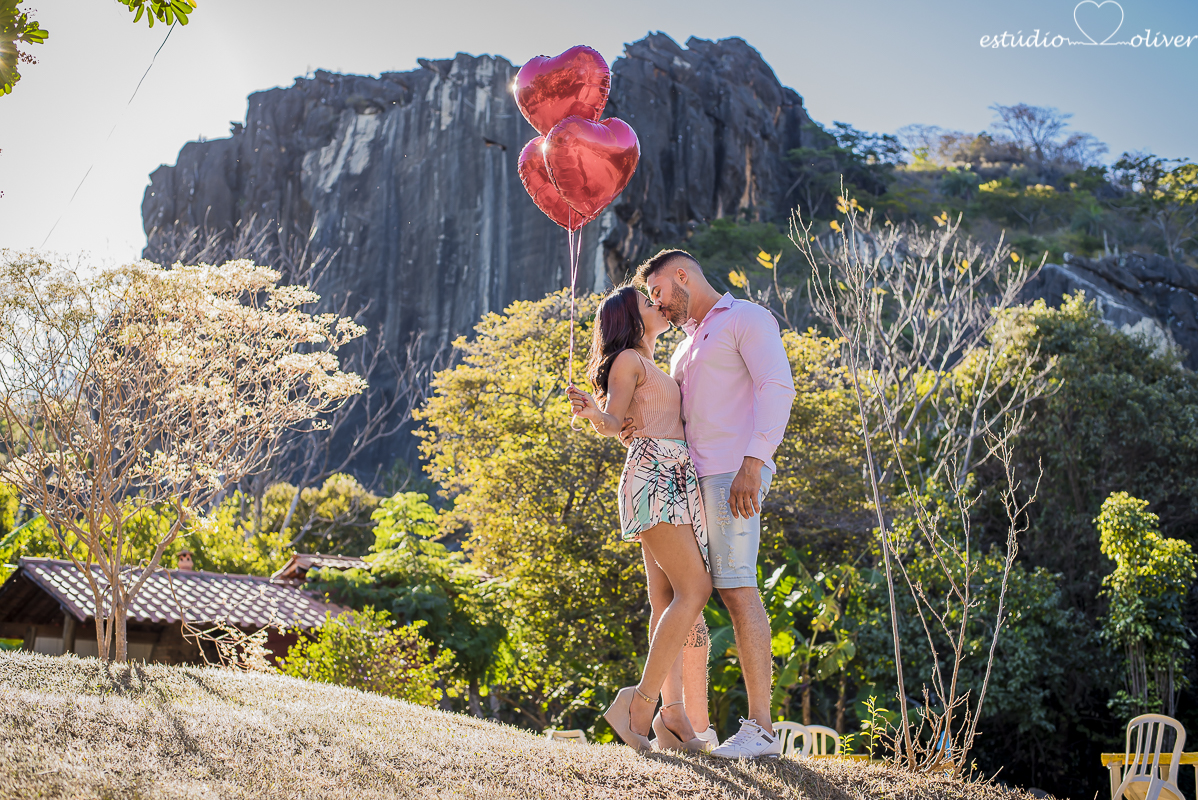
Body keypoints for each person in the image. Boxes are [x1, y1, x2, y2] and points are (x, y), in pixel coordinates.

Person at [630, 249, 796, 759]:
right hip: (684, 485)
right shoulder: (683, 349)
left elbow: (777, 386)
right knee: (688, 594)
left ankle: (762, 730)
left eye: (658, 291)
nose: (657, 304)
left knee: (738, 588)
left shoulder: (746, 317)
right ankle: (683, 721)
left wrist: (754, 461)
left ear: (682, 276)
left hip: (733, 475)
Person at [566, 284, 713, 753]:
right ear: (631, 317)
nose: (659, 305)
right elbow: (613, 419)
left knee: (666, 598)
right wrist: (594, 415)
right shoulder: (628, 359)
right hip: (655, 477)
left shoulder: (649, 362)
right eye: (649, 303)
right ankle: (638, 705)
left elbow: (632, 421)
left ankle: (671, 718)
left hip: (672, 476)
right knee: (696, 589)